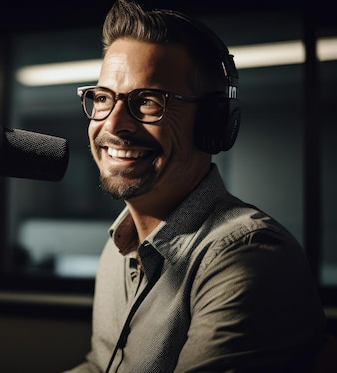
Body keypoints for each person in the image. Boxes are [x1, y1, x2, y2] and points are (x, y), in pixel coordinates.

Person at [66, 1, 328, 372]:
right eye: (104, 98)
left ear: (212, 123)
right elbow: (101, 365)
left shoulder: (245, 254)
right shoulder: (119, 249)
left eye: (148, 102)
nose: (114, 124)